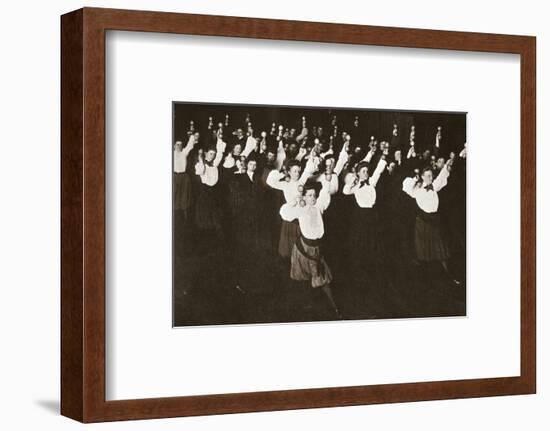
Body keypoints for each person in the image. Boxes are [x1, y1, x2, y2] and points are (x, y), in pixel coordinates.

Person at [280, 181, 341, 318]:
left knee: (322, 278)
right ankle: (304, 308)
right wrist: (295, 201)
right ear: (304, 197)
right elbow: (284, 213)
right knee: (303, 279)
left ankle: (335, 308)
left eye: (314, 195)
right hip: (303, 249)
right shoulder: (300, 209)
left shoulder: (319, 207)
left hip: (317, 249)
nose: (312, 198)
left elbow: (325, 194)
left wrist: (328, 178)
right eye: (309, 195)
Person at [401, 160, 461, 285]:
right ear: (422, 176)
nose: (430, 178)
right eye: (427, 176)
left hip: (434, 221)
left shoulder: (434, 186)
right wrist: (415, 179)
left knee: (441, 251)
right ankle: (425, 281)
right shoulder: (417, 190)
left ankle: (450, 276)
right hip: (423, 222)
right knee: (424, 253)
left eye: (431, 175)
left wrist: (446, 166)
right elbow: (406, 186)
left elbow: (440, 178)